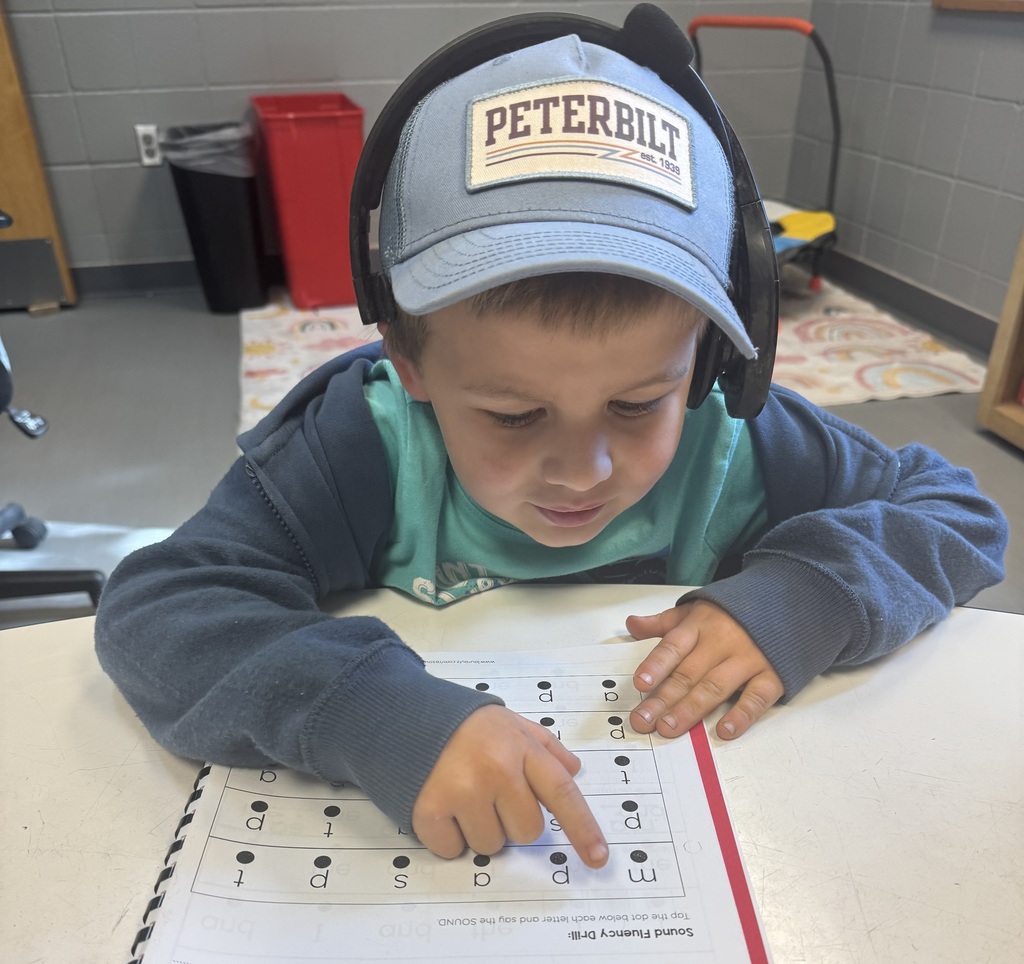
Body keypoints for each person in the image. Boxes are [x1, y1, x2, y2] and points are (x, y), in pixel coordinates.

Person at [94, 7, 1007, 872]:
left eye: (640, 401)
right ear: (405, 360)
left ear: (717, 356)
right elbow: (159, 610)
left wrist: (806, 596)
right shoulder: (355, 448)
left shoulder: (741, 435)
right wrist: (371, 713)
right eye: (513, 416)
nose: (585, 470)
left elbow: (959, 511)